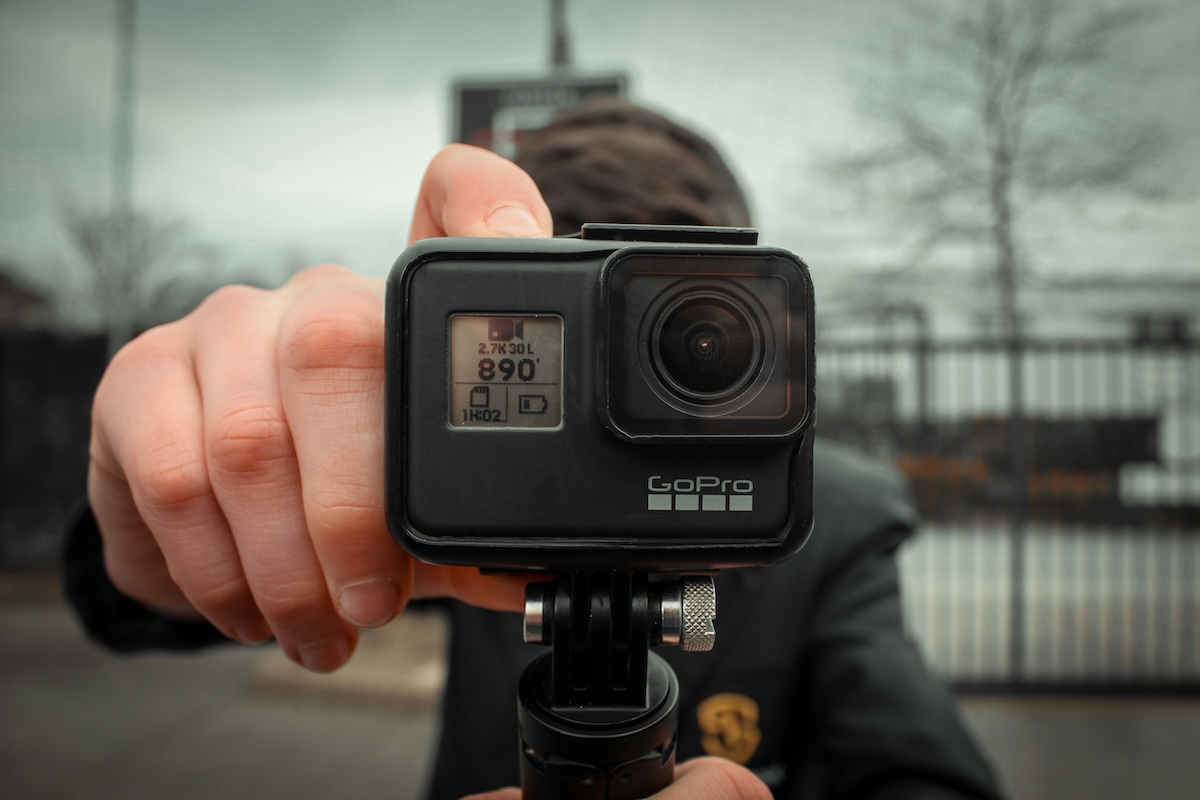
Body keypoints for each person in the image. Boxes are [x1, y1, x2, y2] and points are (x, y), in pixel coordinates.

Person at [64, 98, 1006, 800]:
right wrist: (162, 530)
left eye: (692, 333)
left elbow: (922, 775)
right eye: (553, 309)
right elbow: (145, 603)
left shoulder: (829, 520)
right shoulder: (440, 477)